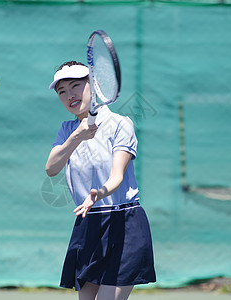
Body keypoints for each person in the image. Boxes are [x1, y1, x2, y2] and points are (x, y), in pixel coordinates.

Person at [45, 61, 156, 300]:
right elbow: (51, 168)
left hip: (124, 222)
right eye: (62, 91)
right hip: (89, 225)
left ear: (94, 86)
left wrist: (99, 193)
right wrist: (77, 135)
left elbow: (117, 176)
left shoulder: (120, 124)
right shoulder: (67, 130)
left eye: (76, 86)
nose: (69, 95)